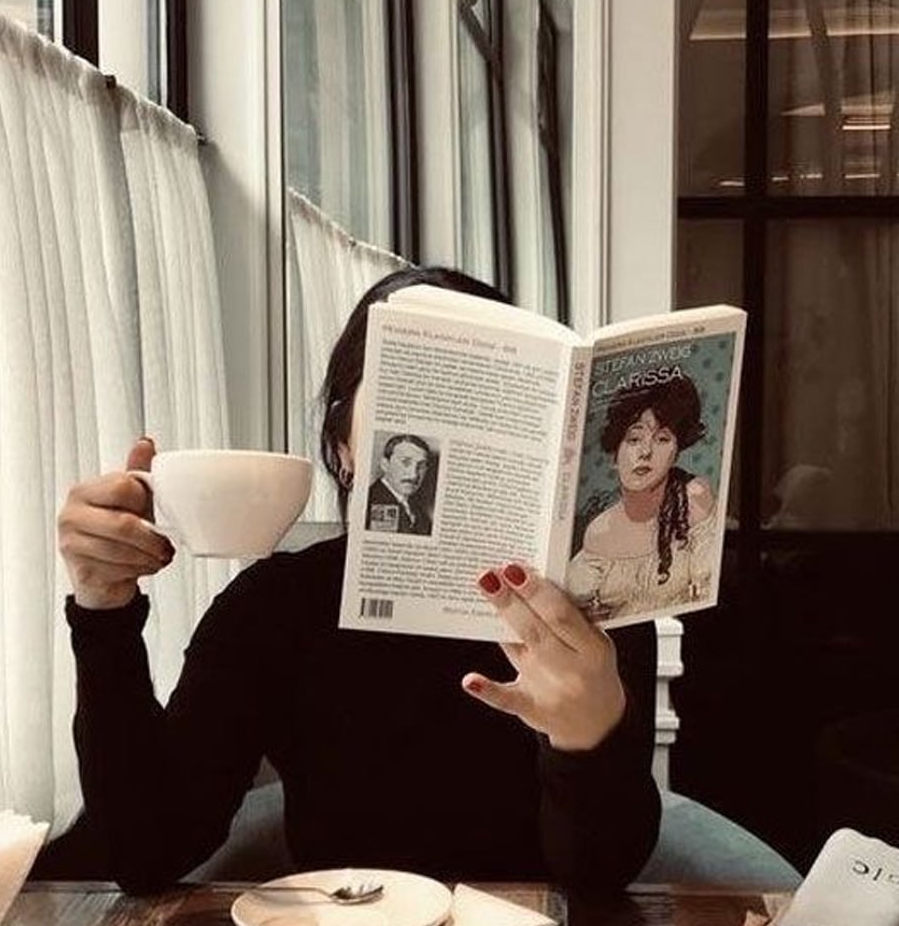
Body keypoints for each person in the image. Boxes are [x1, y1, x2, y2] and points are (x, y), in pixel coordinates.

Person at [53, 266, 661, 895]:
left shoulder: (593, 607)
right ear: (343, 447)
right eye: (412, 384)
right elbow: (145, 848)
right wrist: (102, 611)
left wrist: (586, 738)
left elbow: (602, 877)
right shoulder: (276, 608)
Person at [568, 375, 716, 623]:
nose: (645, 452)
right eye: (634, 439)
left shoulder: (693, 499)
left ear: (676, 452)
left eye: (662, 439)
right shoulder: (599, 531)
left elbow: (708, 599)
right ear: (615, 453)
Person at [365, 433, 433, 535]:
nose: (413, 474)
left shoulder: (419, 512)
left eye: (421, 466)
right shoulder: (370, 501)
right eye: (405, 462)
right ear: (385, 465)